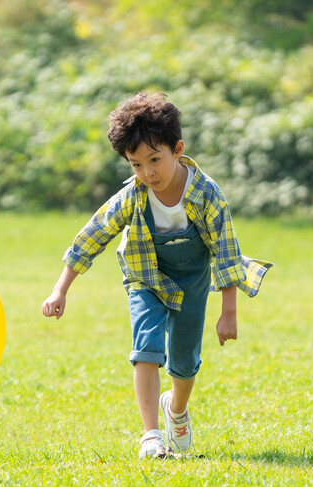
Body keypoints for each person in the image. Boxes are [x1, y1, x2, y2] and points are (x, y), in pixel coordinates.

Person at [41, 92, 270, 458]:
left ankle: (176, 410)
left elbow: (226, 252)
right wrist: (60, 289)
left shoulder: (207, 195)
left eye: (154, 160)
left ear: (177, 149)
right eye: (135, 165)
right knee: (145, 349)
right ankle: (150, 436)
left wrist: (229, 312)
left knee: (184, 362)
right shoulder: (134, 196)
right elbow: (93, 235)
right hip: (145, 277)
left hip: (191, 281)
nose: (147, 173)